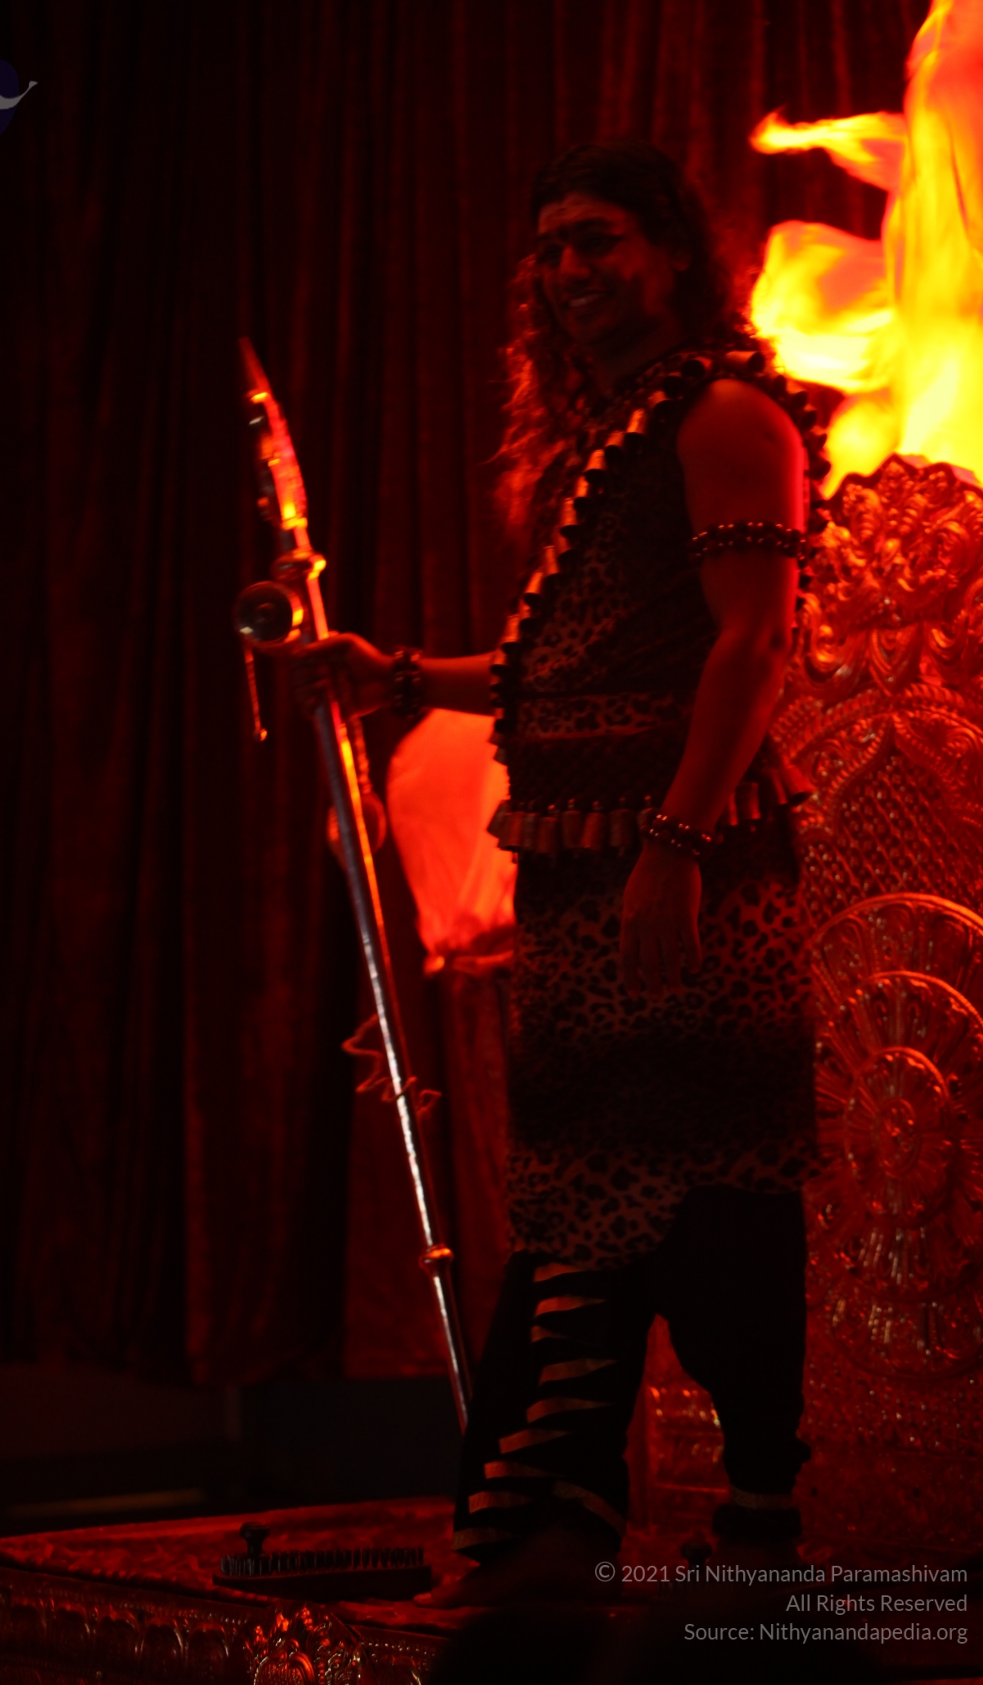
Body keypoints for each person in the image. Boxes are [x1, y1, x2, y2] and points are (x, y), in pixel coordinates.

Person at [292, 140, 826, 1602]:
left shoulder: (725, 415)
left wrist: (676, 847)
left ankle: (718, 1533)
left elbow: (754, 644)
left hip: (696, 883)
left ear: (672, 251)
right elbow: (560, 668)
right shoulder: (614, 435)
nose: (572, 270)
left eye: (600, 240)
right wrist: (401, 673)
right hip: (588, 883)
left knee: (712, 1192)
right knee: (586, 1196)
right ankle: (552, 1540)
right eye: (551, 248)